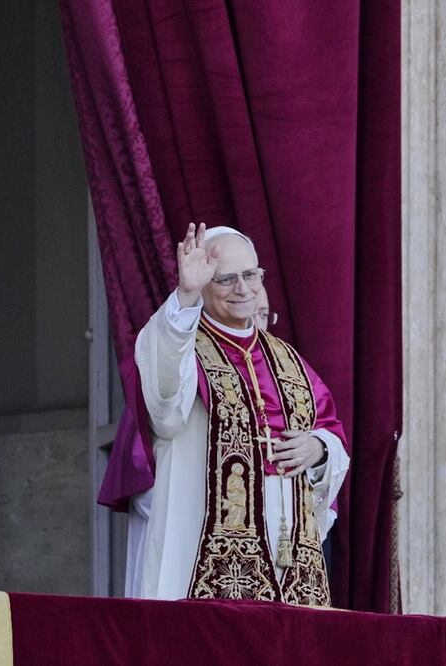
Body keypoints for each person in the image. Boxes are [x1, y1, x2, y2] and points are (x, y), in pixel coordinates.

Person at [129, 223, 350, 604]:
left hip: (288, 563)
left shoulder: (288, 359)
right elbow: (165, 412)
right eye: (225, 279)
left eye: (250, 275)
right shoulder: (181, 344)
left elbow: (331, 432)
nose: (243, 289)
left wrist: (318, 448)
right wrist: (185, 295)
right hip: (202, 559)